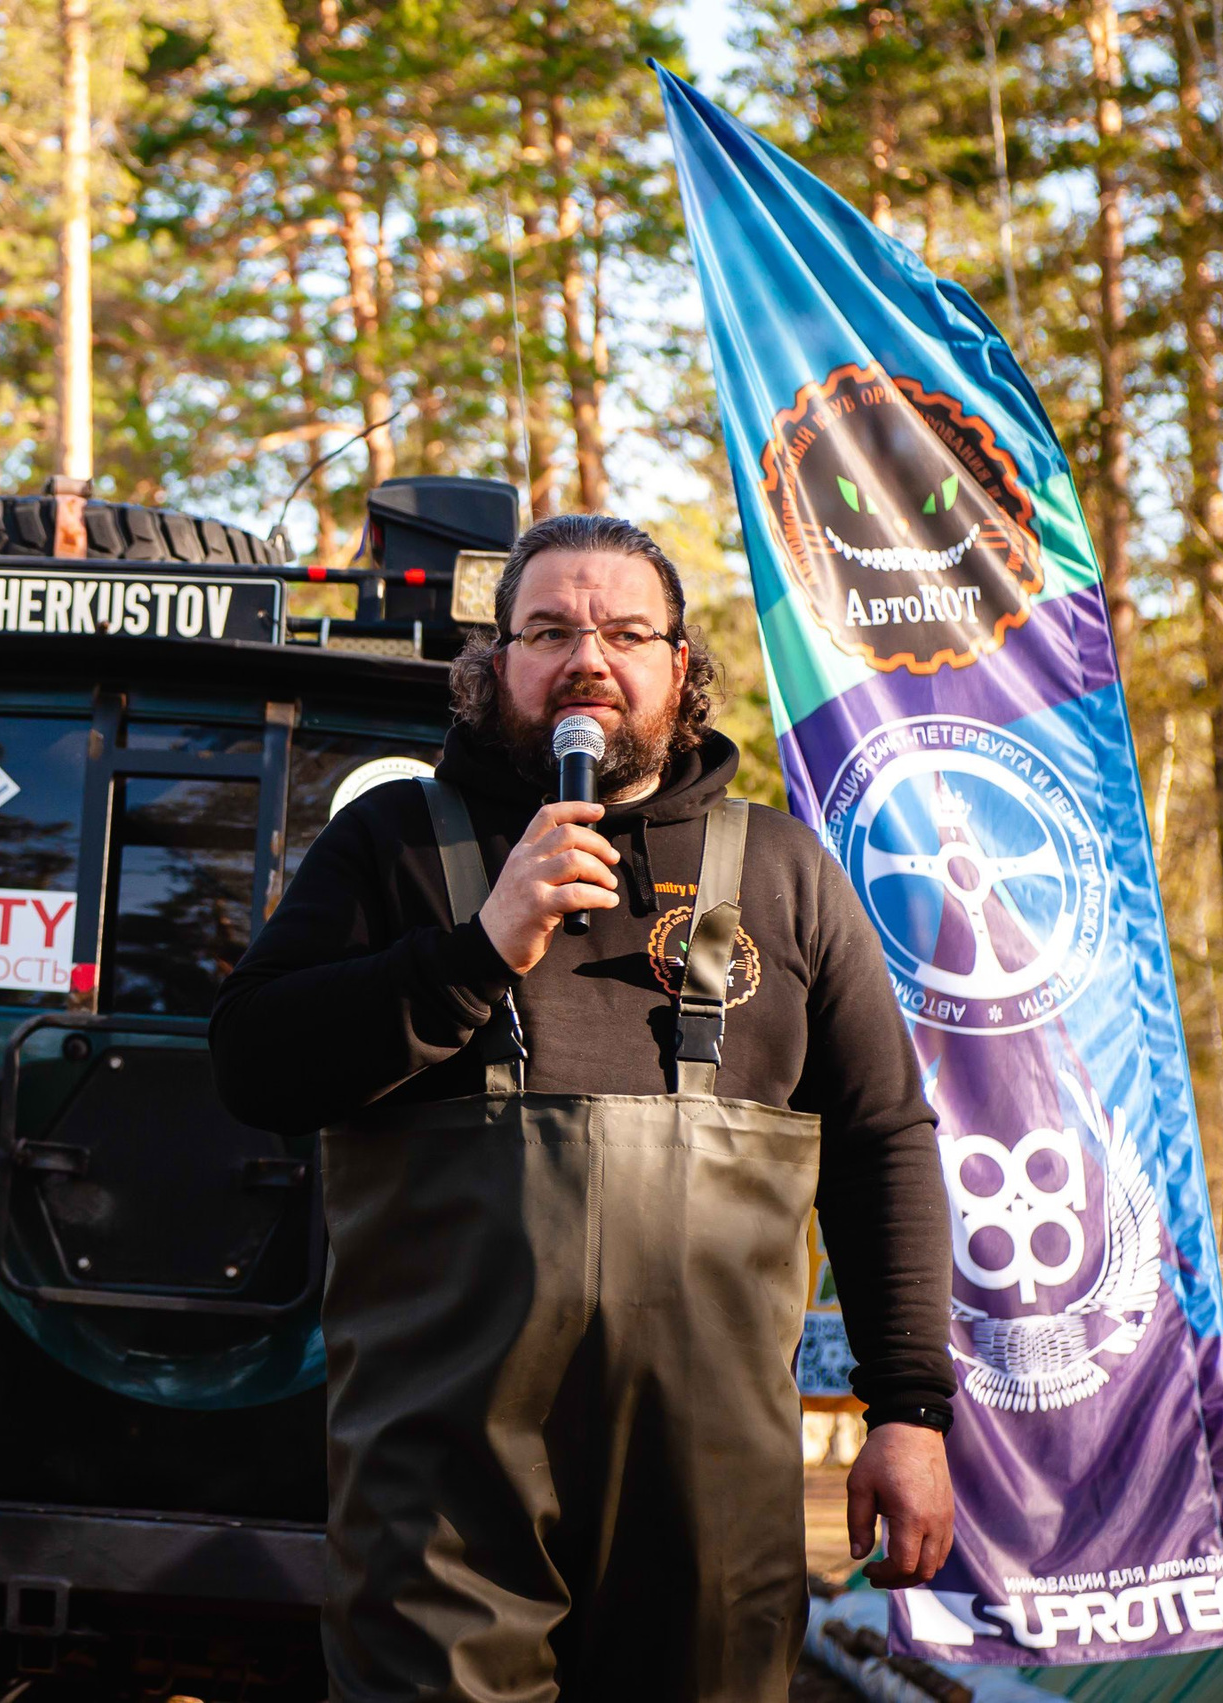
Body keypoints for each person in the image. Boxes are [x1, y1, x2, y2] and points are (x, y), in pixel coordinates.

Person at [208, 512, 955, 1702]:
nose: (585, 658)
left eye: (622, 629)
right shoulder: (389, 843)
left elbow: (883, 1144)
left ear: (679, 666)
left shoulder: (784, 870)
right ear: (494, 664)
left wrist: (909, 1408)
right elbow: (253, 1063)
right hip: (440, 1491)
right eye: (547, 628)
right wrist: (475, 949)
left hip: (710, 1494)